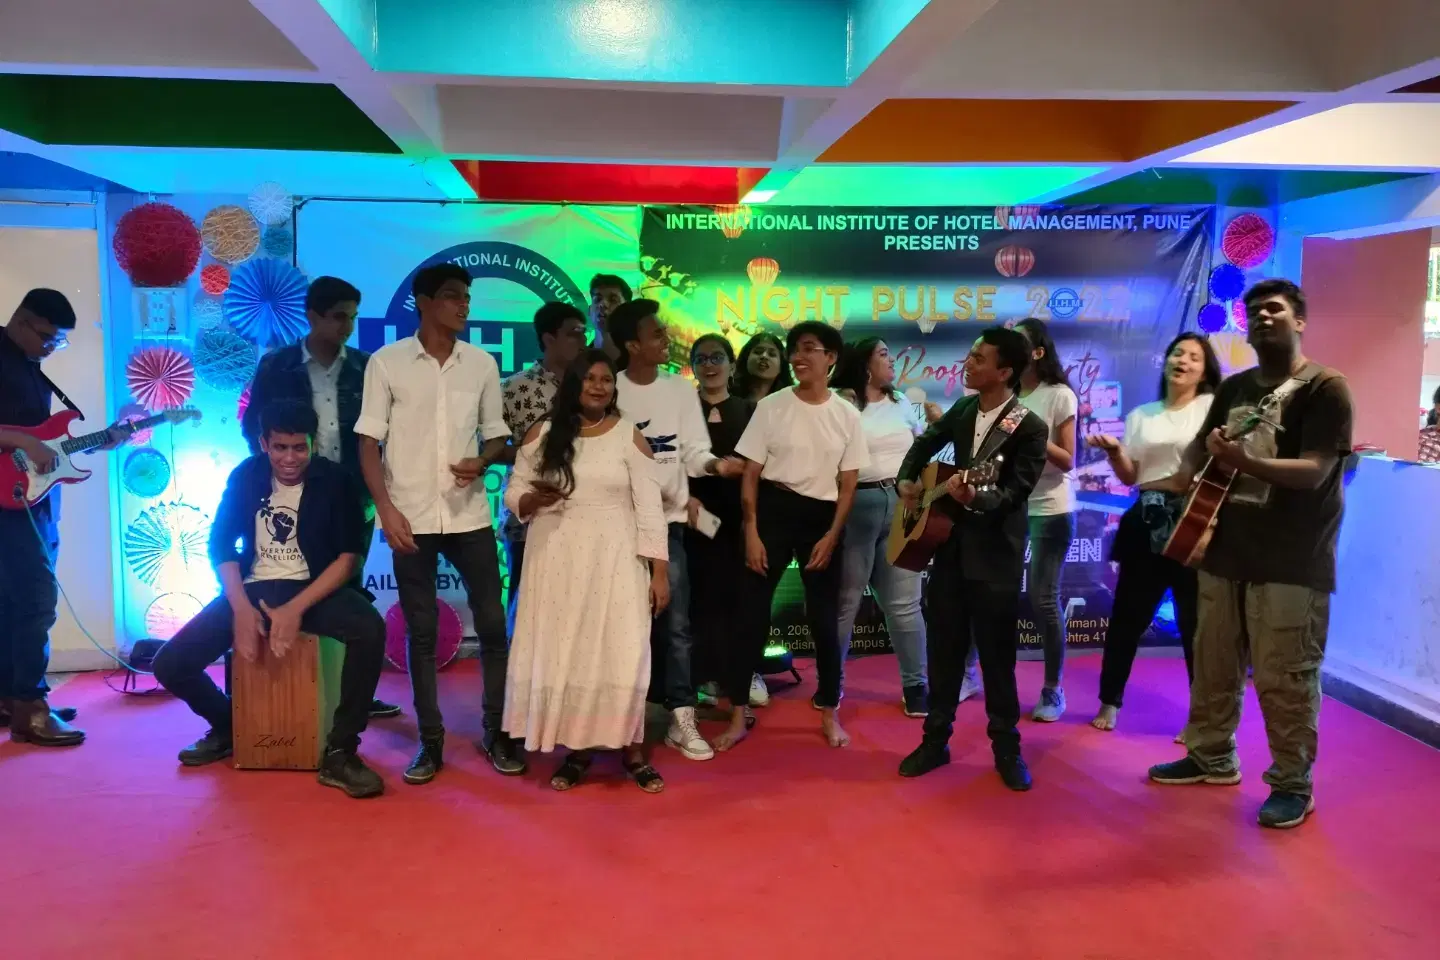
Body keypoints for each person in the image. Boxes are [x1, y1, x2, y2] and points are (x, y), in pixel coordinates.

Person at [1148, 280, 1353, 830]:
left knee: (1285, 678)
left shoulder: (1325, 387)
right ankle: (1211, 756)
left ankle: (1292, 784)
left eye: (1275, 309)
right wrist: (1176, 475)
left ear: (1299, 320)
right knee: (1213, 665)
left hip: (1292, 560)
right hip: (1225, 553)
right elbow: (1200, 451)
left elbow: (1315, 472)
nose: (1263, 316)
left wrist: (1242, 461)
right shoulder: (1236, 386)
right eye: (1254, 310)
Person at [151, 401, 387, 798]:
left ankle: (341, 752)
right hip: (254, 588)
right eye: (280, 448)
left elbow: (349, 559)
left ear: (313, 444)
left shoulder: (335, 480)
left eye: (299, 448)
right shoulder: (246, 476)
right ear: (264, 443)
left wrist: (295, 609)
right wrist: (241, 610)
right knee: (169, 665)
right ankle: (229, 727)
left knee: (370, 629)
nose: (290, 458)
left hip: (312, 588)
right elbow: (220, 545)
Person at [355, 263, 520, 785]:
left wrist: (484, 460)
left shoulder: (482, 364)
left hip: (469, 514)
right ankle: (430, 743)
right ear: (423, 303)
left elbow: (497, 434)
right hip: (411, 515)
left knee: (492, 625)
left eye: (466, 296)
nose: (463, 305)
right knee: (421, 632)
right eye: (452, 296)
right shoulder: (386, 363)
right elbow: (368, 443)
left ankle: (497, 731)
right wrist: (386, 509)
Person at [504, 349, 670, 793]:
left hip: (617, 559)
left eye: (606, 379)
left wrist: (659, 572)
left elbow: (650, 509)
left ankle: (633, 751)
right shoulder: (543, 433)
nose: (599, 386)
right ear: (573, 384)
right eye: (590, 378)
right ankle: (578, 750)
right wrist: (530, 500)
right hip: (556, 558)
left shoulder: (628, 435)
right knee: (571, 653)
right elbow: (514, 489)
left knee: (624, 653)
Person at [895, 326, 1048, 792]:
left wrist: (974, 498)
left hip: (996, 558)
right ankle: (934, 741)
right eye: (971, 354)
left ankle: (1007, 749)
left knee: (998, 660)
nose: (969, 362)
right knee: (944, 652)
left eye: (980, 358)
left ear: (1004, 372)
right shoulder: (963, 409)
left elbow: (1014, 493)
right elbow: (925, 442)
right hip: (949, 549)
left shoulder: (1029, 426)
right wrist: (907, 479)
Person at [241, 275, 401, 720]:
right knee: (292, 579)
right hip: (291, 497)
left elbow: (381, 435)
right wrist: (271, 480)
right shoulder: (278, 365)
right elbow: (253, 427)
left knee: (349, 590)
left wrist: (377, 493)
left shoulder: (367, 367)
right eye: (338, 317)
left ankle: (354, 695)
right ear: (312, 316)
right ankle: (296, 683)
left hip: (353, 496)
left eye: (352, 318)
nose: (346, 326)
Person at [720, 321, 868, 752]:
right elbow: (751, 473)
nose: (797, 357)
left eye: (808, 349)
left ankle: (829, 710)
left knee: (824, 619)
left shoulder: (847, 415)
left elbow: (849, 484)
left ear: (830, 358)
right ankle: (737, 714)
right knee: (750, 615)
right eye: (794, 350)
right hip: (772, 511)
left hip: (822, 518)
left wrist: (832, 535)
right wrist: (751, 531)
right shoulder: (772, 406)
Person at [608, 300, 743, 762]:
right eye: (656, 334)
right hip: (614, 527)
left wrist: (717, 466)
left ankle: (681, 717)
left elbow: (693, 453)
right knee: (620, 626)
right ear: (632, 345)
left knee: (677, 625)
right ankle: (615, 719)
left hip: (668, 527)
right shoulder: (610, 388)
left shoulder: (680, 391)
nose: (666, 339)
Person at [0, 289, 126, 746]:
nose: (52, 347)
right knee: (36, 600)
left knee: (13, 603)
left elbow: (44, 442)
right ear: (21, 321)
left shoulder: (30, 366)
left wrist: (96, 442)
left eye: (59, 342)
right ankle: (30, 707)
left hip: (32, 500)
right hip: (7, 503)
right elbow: (25, 440)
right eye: (48, 338)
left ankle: (12, 697)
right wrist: (22, 440)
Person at [1088, 333, 1220, 735]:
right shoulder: (1141, 415)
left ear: (1205, 370)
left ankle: (1203, 717)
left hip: (1196, 520)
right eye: (1178, 353)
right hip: (1146, 519)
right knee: (1127, 618)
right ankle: (1110, 701)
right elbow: (1132, 477)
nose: (1183, 361)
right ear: (1165, 362)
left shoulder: (1212, 407)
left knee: (1196, 625)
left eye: (1194, 357)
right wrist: (1115, 452)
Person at [830, 338, 933, 717]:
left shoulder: (901, 401)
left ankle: (916, 685)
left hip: (902, 505)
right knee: (845, 602)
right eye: (884, 354)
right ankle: (831, 684)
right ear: (864, 365)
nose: (892, 361)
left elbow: (921, 447)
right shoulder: (839, 403)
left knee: (905, 603)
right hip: (855, 506)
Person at [497, 302, 589, 633]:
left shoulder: (592, 386)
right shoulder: (513, 388)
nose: (582, 340)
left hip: (585, 512)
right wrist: (539, 456)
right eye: (574, 333)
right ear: (549, 339)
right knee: (526, 602)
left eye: (584, 333)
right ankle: (517, 662)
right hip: (531, 512)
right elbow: (490, 448)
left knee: (578, 607)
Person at [685, 334, 762, 707]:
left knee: (741, 599)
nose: (709, 365)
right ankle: (704, 677)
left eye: (717, 357)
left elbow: (762, 467)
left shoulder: (750, 411)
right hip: (691, 516)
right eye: (701, 359)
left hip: (740, 518)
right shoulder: (682, 410)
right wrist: (683, 499)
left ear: (732, 365)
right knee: (700, 600)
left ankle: (743, 676)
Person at [1013, 318, 1078, 722]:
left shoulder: (1059, 395)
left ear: (1038, 352)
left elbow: (1068, 459)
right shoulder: (1005, 395)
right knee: (991, 593)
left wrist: (1033, 431)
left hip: (1051, 509)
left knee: (1042, 599)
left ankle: (1053, 690)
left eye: (1020, 342)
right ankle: (970, 673)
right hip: (1009, 506)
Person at [732, 332, 791, 403]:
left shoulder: (790, 401)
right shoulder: (726, 394)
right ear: (746, 358)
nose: (764, 356)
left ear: (781, 366)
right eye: (758, 352)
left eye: (772, 354)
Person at [589, 273, 632, 364]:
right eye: (597, 299)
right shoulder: (577, 362)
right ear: (589, 310)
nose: (602, 304)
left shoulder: (640, 360)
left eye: (613, 300)